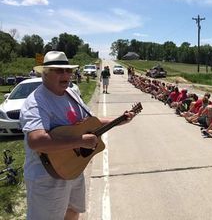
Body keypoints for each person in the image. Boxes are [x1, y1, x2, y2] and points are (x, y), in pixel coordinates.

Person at [20, 51, 134, 220]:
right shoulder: (37, 102)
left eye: (68, 70)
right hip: (47, 176)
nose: (66, 74)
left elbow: (88, 124)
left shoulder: (71, 93)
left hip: (73, 169)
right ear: (44, 73)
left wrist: (118, 120)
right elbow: (36, 141)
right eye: (59, 71)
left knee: (73, 211)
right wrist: (79, 141)